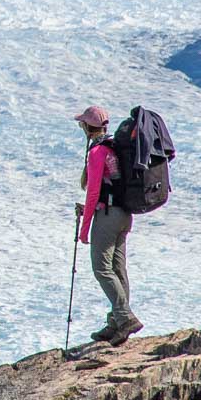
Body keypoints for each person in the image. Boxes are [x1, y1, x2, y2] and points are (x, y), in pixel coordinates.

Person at [74, 105, 143, 346]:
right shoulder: (114, 147)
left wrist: (84, 229)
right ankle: (116, 322)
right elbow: (106, 188)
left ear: (86, 127)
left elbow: (93, 192)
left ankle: (124, 318)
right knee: (117, 268)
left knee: (102, 269)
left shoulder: (96, 153)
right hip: (124, 214)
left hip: (107, 217)